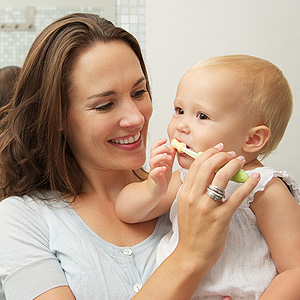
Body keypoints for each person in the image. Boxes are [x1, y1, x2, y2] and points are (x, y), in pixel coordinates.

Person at [0, 14, 259, 300]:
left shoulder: (187, 192)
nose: (136, 118)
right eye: (105, 105)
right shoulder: (22, 219)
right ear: (57, 116)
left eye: (139, 92)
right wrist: (190, 256)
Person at [115, 55, 300, 299]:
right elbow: (126, 211)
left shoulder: (264, 188)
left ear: (252, 139)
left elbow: (295, 270)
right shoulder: (183, 177)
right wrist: (153, 187)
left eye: (202, 116)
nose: (181, 125)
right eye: (179, 110)